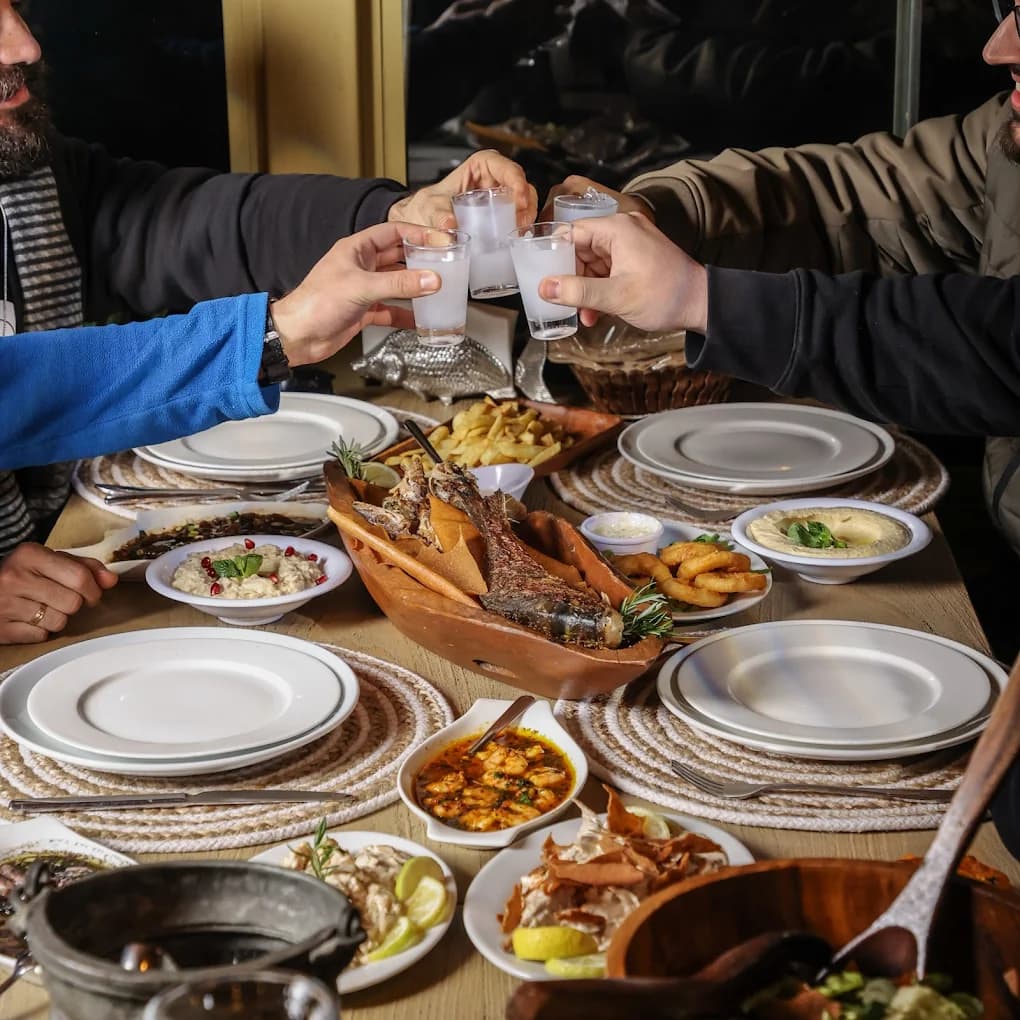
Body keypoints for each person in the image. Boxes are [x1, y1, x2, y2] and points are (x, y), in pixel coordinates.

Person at [0, 0, 535, 644]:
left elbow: (172, 220)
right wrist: (275, 338)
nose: (24, 45)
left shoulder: (34, 174)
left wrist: (397, 215)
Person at [543, 4, 1020, 562]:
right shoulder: (1000, 136)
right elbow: (860, 197)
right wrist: (659, 212)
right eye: (1009, 7)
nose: (998, 46)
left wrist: (703, 300)